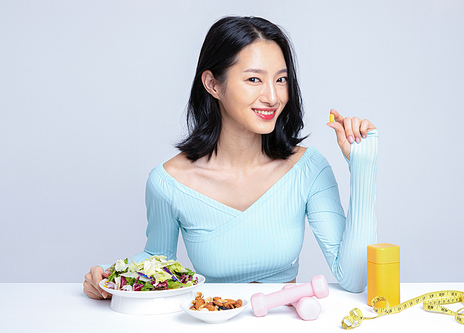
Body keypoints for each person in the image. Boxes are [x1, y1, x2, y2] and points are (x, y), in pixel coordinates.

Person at [84, 16, 378, 300]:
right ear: (213, 84)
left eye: (281, 79)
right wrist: (109, 281)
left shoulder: (308, 168)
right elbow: (157, 262)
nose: (273, 97)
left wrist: (363, 166)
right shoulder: (169, 182)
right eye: (254, 79)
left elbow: (354, 278)